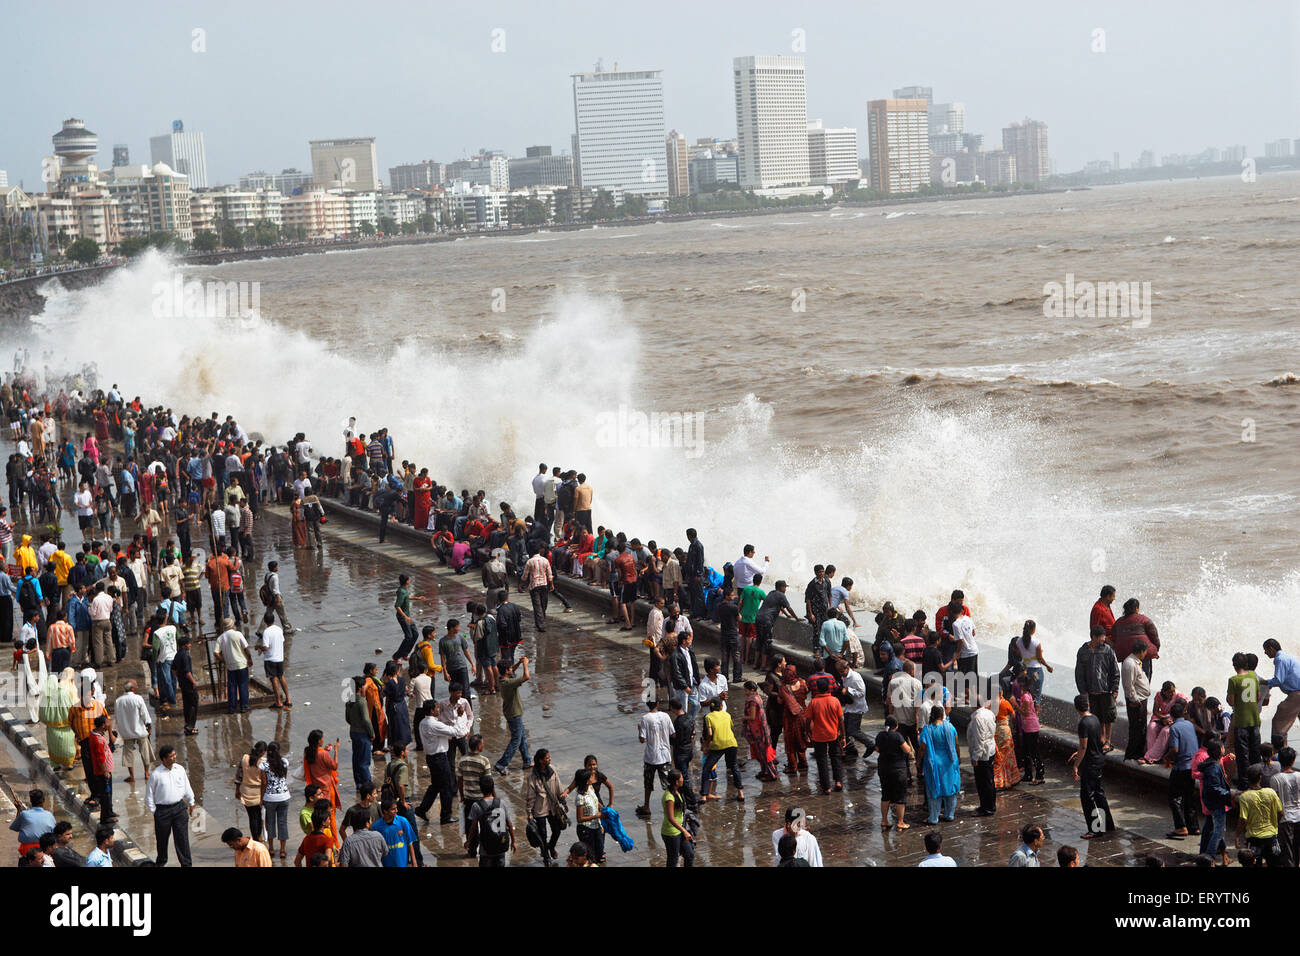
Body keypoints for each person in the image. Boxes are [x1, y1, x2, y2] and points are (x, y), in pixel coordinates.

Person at [1067, 694, 1115, 840]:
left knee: (1088, 796)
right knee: (1099, 794)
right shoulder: (1094, 718)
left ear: (1076, 708)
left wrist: (1076, 765)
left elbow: (1083, 746)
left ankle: (1095, 829)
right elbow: (1097, 740)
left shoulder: (1083, 723)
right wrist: (1080, 752)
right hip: (1098, 759)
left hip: (1089, 764)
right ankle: (1107, 824)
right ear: (1087, 705)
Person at [146, 746, 197, 866]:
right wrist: (155, 812)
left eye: (174, 754)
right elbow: (149, 796)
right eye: (171, 756)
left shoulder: (180, 769)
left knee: (182, 839)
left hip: (179, 808)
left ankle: (186, 864)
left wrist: (191, 803)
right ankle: (161, 862)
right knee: (162, 840)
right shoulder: (156, 774)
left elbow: (187, 786)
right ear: (164, 759)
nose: (174, 757)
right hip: (162, 811)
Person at [1075, 624, 1120, 751]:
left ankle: (1108, 741)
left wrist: (1115, 688)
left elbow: (1115, 671)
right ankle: (1100, 738)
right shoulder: (1083, 651)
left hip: (1106, 690)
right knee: (1096, 716)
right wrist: (1082, 691)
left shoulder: (1108, 650)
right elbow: (1079, 673)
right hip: (1091, 691)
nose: (1104, 639)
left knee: (1108, 716)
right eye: (1102, 637)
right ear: (1094, 637)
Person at [524, 749, 568, 867]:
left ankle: (551, 847)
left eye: (549, 757)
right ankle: (546, 857)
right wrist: (529, 813)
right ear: (541, 760)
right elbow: (530, 797)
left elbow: (558, 787)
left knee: (557, 830)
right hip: (540, 809)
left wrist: (563, 802)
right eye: (547, 758)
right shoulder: (532, 777)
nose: (550, 759)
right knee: (542, 835)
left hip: (553, 807)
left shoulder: (552, 770)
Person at [918, 705, 961, 824]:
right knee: (950, 787)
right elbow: (956, 744)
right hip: (950, 762)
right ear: (942, 715)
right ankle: (949, 814)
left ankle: (933, 817)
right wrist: (958, 758)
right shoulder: (950, 727)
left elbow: (922, 748)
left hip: (933, 764)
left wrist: (918, 761)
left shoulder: (927, 729)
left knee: (934, 788)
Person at [1165, 700, 1201, 840]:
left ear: (1171, 715)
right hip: (1192, 766)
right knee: (1189, 797)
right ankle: (1194, 827)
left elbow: (1175, 749)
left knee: (1174, 797)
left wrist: (1167, 757)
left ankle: (1181, 827)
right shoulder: (1189, 725)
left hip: (1181, 767)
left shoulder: (1174, 728)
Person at [1226, 652, 1263, 787]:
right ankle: (1257, 782)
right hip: (1254, 720)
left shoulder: (1233, 680)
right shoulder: (1253, 676)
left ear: (1234, 665)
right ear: (1246, 664)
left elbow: (1231, 701)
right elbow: (1258, 697)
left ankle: (1245, 784)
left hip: (1241, 722)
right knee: (1255, 753)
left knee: (1242, 755)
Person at [1195, 739, 1234, 865]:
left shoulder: (1212, 763)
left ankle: (1223, 856)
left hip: (1211, 801)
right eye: (1222, 747)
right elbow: (1214, 787)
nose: (1224, 749)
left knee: (1216, 827)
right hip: (1216, 802)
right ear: (1219, 751)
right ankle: (1209, 857)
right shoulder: (1214, 767)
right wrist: (1228, 794)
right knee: (1218, 831)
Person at [803, 676, 844, 795]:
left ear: (817, 689)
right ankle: (838, 781)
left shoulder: (813, 702)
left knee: (822, 760)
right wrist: (843, 736)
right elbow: (841, 720)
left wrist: (808, 732)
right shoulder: (835, 701)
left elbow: (807, 720)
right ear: (828, 688)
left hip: (819, 735)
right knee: (835, 757)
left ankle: (826, 787)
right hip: (833, 734)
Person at [1236, 765, 1283, 867]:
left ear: (1247, 779)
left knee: (1252, 864)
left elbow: (1243, 819)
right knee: (1275, 863)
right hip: (1271, 837)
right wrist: (1274, 825)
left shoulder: (1245, 797)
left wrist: (1237, 835)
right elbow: (1280, 812)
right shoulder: (1271, 792)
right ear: (1260, 777)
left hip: (1254, 839)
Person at [493, 655, 533, 773]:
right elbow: (526, 677)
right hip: (514, 713)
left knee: (522, 737)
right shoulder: (508, 683)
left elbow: (512, 671)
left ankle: (527, 761)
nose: (512, 669)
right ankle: (501, 764)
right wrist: (525, 663)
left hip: (512, 712)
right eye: (510, 668)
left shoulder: (502, 678)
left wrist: (519, 663)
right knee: (516, 740)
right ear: (506, 671)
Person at [700, 698, 745, 802]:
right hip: (731, 743)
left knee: (707, 768)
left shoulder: (708, 717)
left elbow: (709, 733)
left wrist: (706, 745)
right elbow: (730, 726)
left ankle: (703, 795)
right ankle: (740, 793)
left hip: (717, 745)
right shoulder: (727, 715)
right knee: (734, 767)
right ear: (721, 706)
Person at [635, 698, 674, 817]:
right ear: (657, 704)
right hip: (665, 755)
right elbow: (672, 733)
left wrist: (639, 728)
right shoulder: (666, 716)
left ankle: (646, 806)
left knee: (648, 783)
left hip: (651, 757)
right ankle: (672, 806)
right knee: (668, 784)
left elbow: (642, 739)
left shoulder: (645, 718)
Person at [467, 773, 515, 867]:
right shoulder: (502, 803)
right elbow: (509, 824)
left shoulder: (476, 806)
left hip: (486, 850)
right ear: (493, 788)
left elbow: (473, 828)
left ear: (481, 789)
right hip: (501, 846)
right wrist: (513, 841)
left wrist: (468, 841)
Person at [875, 716, 913, 831]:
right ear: (896, 726)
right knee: (900, 796)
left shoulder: (880, 735)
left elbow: (877, 749)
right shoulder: (897, 736)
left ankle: (884, 821)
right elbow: (907, 750)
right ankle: (900, 822)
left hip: (884, 768)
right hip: (898, 769)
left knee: (885, 794)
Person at [113, 679, 154, 784]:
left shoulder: (118, 701)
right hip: (140, 730)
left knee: (128, 754)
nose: (137, 687)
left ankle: (132, 776)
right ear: (132, 688)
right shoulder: (137, 698)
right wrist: (149, 725)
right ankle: (146, 773)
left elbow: (117, 717)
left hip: (126, 732)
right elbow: (145, 714)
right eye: (136, 685)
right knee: (145, 751)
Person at [1264, 639, 1300, 752]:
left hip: (1296, 694)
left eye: (1266, 650)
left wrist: (1264, 682)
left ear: (1271, 649)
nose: (1265, 653)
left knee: (1278, 723)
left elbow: (1278, 680)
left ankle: (1280, 752)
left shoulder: (1279, 659)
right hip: (1297, 693)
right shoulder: (1289, 656)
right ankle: (1285, 751)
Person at [260, 742, 293, 861]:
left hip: (270, 797)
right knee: (282, 823)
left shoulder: (264, 765)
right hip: (284, 796)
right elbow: (284, 777)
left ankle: (271, 849)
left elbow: (264, 783)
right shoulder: (284, 762)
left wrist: (261, 798)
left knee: (270, 823)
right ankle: (282, 850)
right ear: (278, 751)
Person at [1121, 638, 1152, 762]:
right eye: (1145, 651)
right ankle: (1132, 754)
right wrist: (1134, 700)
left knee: (1141, 727)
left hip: (1141, 699)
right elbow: (1128, 685)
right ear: (1141, 651)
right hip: (1137, 701)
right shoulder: (1130, 663)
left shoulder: (1136, 662)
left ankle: (1138, 752)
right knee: (1136, 728)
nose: (1146, 654)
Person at [1270, 746, 1300, 868]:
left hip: (1285, 818)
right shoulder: (1299, 775)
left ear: (1279, 760)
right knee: (1297, 850)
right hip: (1298, 816)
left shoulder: (1275, 779)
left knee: (1288, 853)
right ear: (1293, 761)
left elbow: (1275, 802)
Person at [968, 697, 997, 816]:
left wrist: (975, 756)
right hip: (990, 749)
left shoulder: (977, 718)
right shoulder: (989, 713)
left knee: (983, 782)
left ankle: (987, 807)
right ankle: (990, 805)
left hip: (983, 753)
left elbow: (979, 739)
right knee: (989, 780)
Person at [215, 618, 251, 714]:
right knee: (243, 685)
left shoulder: (220, 638)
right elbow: (246, 648)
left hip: (230, 666)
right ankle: (244, 706)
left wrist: (224, 660)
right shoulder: (238, 634)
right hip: (241, 664)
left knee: (232, 687)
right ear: (232, 625)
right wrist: (249, 658)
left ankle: (232, 708)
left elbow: (216, 653)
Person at [235, 741, 268, 842]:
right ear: (263, 752)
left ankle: (256, 838)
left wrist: (237, 790)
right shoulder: (263, 762)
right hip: (259, 792)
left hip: (246, 792)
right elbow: (265, 780)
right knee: (259, 816)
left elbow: (239, 775)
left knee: (252, 817)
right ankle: (259, 837)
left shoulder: (244, 758)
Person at [258, 611, 291, 709]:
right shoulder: (279, 629)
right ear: (274, 620)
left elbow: (266, 647)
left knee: (274, 679)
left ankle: (278, 702)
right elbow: (282, 641)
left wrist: (258, 647)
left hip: (270, 658)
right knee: (281, 677)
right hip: (279, 658)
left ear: (265, 621)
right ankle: (288, 699)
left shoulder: (266, 632)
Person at [661, 769, 694, 867]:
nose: (683, 779)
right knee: (673, 859)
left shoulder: (677, 791)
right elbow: (671, 818)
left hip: (680, 829)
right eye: (681, 778)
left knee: (689, 854)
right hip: (671, 833)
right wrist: (684, 831)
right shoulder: (669, 798)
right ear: (676, 782)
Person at [9, 789, 56, 857]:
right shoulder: (49, 815)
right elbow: (54, 833)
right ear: (43, 800)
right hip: (44, 850)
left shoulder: (24, 814)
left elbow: (16, 828)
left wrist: (18, 809)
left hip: (27, 851)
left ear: (31, 801)